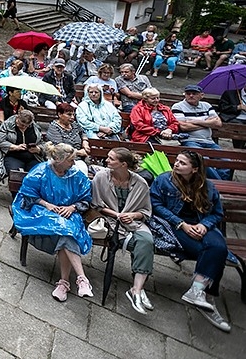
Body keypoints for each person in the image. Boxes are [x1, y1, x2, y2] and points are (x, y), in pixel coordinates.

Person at [150, 150, 231, 332]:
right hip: (175, 225)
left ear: (194, 169)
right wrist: (181, 224)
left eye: (182, 163)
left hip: (201, 224)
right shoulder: (164, 180)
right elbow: (156, 205)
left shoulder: (208, 186)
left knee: (218, 247)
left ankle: (197, 291)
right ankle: (207, 296)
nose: (176, 165)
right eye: (176, 161)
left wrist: (205, 224)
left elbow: (217, 213)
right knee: (212, 252)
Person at [11, 142, 94, 302]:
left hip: (68, 212)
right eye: (70, 160)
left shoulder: (75, 174)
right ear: (59, 159)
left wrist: (73, 207)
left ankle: (65, 283)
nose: (74, 163)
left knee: (66, 231)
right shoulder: (41, 171)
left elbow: (86, 198)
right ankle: (81, 279)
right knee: (67, 230)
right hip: (40, 210)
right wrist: (47, 204)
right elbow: (27, 196)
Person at [91, 147, 155, 315]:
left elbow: (146, 212)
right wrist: (118, 214)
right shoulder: (101, 177)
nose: (107, 161)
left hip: (133, 223)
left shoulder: (140, 183)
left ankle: (136, 289)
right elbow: (96, 205)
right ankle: (138, 290)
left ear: (123, 164)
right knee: (140, 244)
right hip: (109, 222)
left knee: (147, 241)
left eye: (111, 159)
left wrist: (133, 215)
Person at [171, 84, 231, 180]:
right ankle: (219, 185)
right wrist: (208, 123)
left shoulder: (206, 105)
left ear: (201, 95)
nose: (191, 96)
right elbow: (184, 126)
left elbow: (218, 123)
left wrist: (196, 121)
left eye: (194, 93)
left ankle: (222, 184)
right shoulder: (178, 106)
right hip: (190, 141)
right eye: (188, 93)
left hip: (209, 142)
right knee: (203, 161)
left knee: (226, 161)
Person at [0, 110, 43, 180]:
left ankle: (31, 190)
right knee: (16, 176)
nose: (23, 127)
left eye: (26, 126)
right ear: (17, 118)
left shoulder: (35, 127)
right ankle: (17, 190)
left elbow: (42, 143)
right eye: (21, 124)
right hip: (12, 156)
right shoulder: (7, 125)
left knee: (39, 174)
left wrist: (38, 149)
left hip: (33, 157)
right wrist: (15, 147)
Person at [46, 103, 90, 173]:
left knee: (82, 168)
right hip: (61, 160)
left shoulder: (74, 125)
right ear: (60, 114)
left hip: (77, 159)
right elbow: (60, 148)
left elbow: (83, 132)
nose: (72, 117)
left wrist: (85, 141)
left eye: (73, 115)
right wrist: (78, 152)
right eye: (69, 114)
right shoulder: (54, 128)